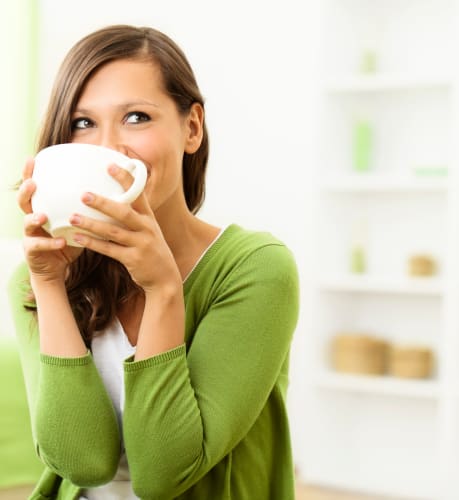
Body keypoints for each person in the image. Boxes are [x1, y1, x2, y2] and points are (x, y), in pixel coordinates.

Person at [9, 25, 299, 500]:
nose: (108, 148)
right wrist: (49, 286)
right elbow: (83, 462)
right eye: (83, 123)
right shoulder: (37, 277)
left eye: (136, 117)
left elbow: (163, 473)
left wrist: (164, 289)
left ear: (192, 128)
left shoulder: (257, 269)